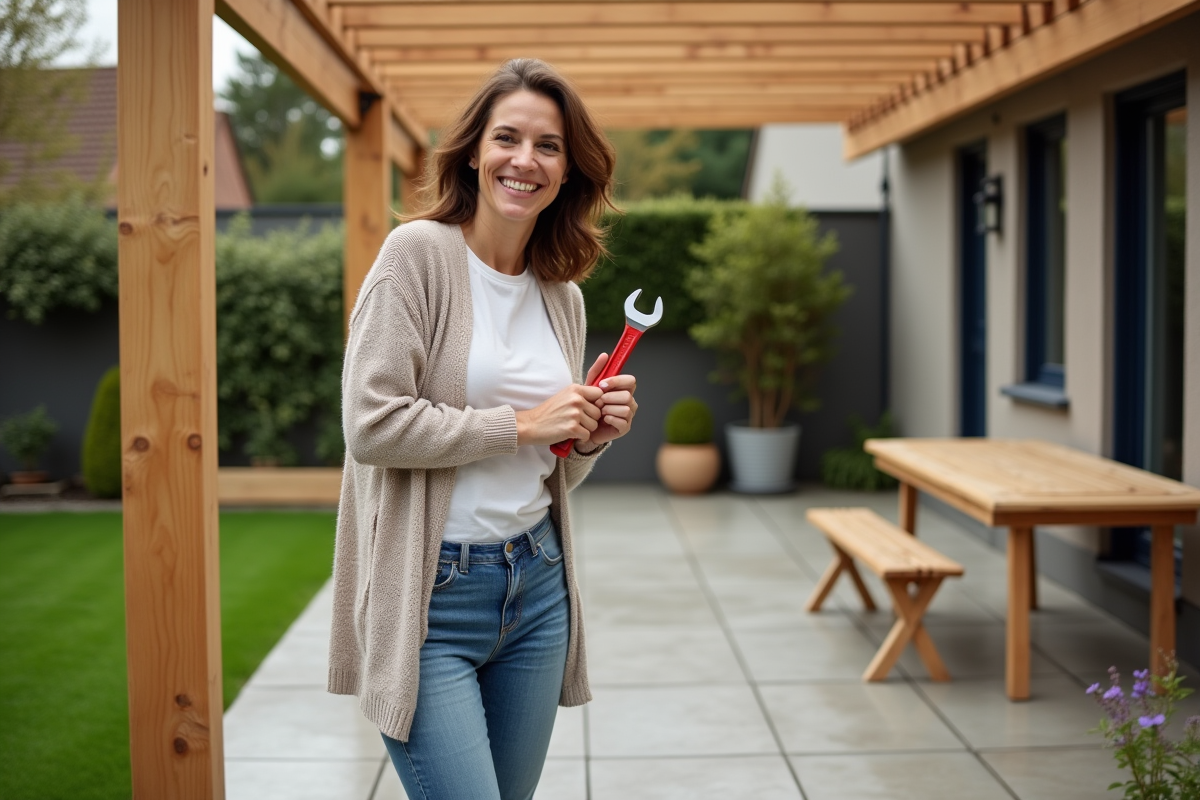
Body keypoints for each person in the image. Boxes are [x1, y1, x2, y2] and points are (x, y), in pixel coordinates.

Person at [326, 58, 636, 800]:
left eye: (549, 146)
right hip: (430, 598)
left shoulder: (561, 294)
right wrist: (525, 423)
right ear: (474, 150)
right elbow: (371, 424)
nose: (525, 160)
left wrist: (585, 436)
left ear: (568, 171)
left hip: (537, 587)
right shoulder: (416, 257)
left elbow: (550, 464)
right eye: (508, 137)